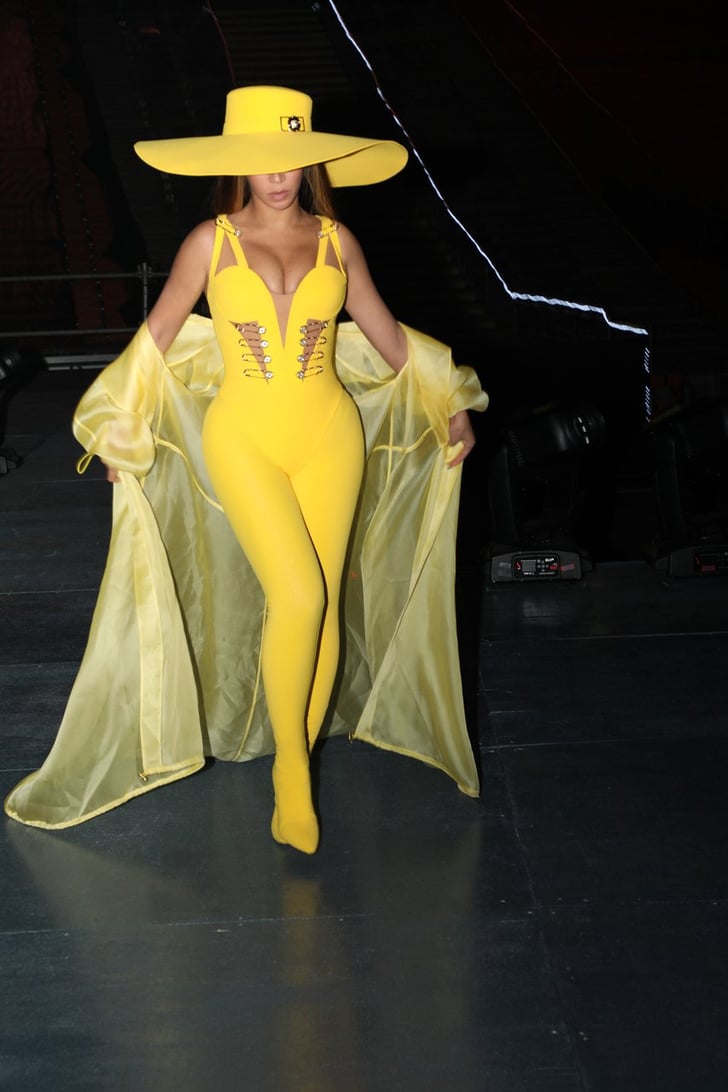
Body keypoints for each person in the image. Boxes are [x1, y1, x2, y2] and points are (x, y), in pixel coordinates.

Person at [4, 85, 488, 852]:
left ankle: (299, 752)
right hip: (243, 437)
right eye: (264, 160)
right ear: (238, 165)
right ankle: (293, 772)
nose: (279, 175)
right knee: (298, 593)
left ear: (310, 162)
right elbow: (156, 338)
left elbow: (389, 337)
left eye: (292, 158)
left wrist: (448, 400)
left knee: (324, 607)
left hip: (331, 436)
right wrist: (120, 424)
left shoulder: (337, 241)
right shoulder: (210, 241)